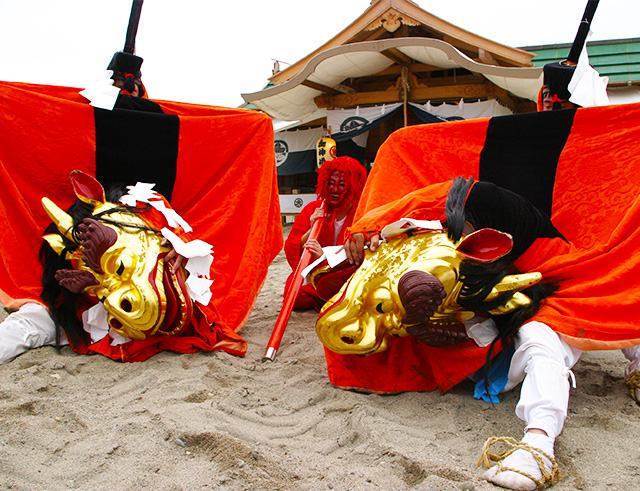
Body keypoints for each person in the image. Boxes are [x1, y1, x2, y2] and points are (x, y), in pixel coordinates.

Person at [336, 177, 640, 490]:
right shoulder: (444, 232)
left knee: (546, 333)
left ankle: (539, 443)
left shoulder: (502, 219)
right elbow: (424, 201)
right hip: (495, 299)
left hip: (552, 279)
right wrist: (370, 226)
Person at [0, 171, 246, 364]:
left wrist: (180, 246)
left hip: (152, 307)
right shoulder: (77, 272)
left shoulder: (152, 217)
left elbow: (192, 252)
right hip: (95, 317)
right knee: (32, 323)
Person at [284, 156, 367, 310]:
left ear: (354, 186)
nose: (334, 190)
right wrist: (310, 230)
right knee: (295, 295)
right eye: (330, 183)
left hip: (347, 275)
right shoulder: (313, 209)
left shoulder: (363, 212)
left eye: (342, 185)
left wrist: (325, 257)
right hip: (314, 273)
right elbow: (291, 247)